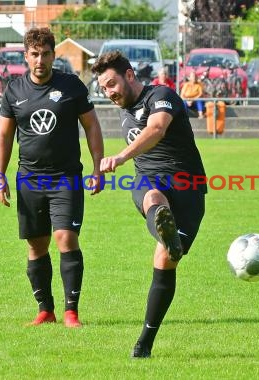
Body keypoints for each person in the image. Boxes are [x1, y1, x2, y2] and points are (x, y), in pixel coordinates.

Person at [91, 51, 206, 358]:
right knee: (152, 196)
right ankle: (164, 225)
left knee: (165, 263)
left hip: (188, 187)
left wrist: (120, 157)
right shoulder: (123, 107)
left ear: (130, 76)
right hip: (149, 180)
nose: (109, 92)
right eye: (104, 88)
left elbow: (156, 129)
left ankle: (146, 339)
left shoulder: (162, 94)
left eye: (112, 83)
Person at [0, 27, 104, 328]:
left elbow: (92, 126)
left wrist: (97, 168)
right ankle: (46, 310)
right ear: (26, 56)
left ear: (54, 55)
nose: (40, 60)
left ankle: (71, 312)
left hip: (65, 177)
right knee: (36, 245)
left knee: (65, 237)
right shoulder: (14, 90)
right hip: (29, 179)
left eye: (45, 54)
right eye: (34, 54)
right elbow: (4, 136)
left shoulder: (71, 86)